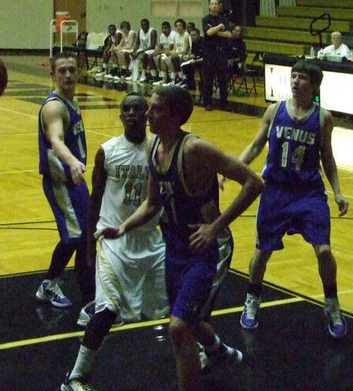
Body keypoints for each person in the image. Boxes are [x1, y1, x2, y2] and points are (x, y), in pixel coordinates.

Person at [101, 86, 263, 391]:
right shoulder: (154, 148)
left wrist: (215, 227)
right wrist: (124, 227)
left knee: (178, 327)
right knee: (186, 321)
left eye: (155, 108)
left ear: (175, 117)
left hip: (205, 248)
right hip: (174, 246)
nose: (147, 114)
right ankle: (219, 352)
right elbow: (152, 204)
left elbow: (254, 182)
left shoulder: (194, 149)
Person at [61, 93, 169, 391]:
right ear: (120, 116)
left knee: (180, 304)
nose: (132, 113)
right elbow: (94, 200)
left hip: (150, 241)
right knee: (107, 310)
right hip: (113, 241)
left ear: (147, 113)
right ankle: (75, 377)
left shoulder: (160, 150)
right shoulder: (106, 151)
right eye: (127, 109)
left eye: (138, 108)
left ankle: (208, 348)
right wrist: (87, 247)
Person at [234, 59, 349, 337]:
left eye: (302, 78)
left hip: (309, 192)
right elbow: (256, 145)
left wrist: (338, 191)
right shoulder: (274, 111)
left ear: (314, 85)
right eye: (293, 76)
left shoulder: (323, 118)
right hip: (276, 191)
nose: (295, 82)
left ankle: (332, 303)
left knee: (323, 250)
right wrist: (234, 167)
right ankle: (252, 300)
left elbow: (327, 158)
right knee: (262, 251)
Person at [37, 53, 94, 310]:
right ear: (53, 75)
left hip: (75, 179)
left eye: (72, 70)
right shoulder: (54, 107)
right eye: (62, 71)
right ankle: (50, 285)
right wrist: (72, 162)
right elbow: (56, 139)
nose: (68, 75)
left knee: (86, 235)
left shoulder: (72, 100)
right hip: (60, 181)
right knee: (75, 237)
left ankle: (88, 292)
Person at [201, 0, 232, 110]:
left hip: (221, 53)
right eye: (212, 4)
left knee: (223, 79)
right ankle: (208, 103)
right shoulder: (205, 19)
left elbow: (229, 34)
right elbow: (208, 33)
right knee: (208, 80)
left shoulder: (224, 18)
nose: (214, 6)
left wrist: (216, 31)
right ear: (209, 6)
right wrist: (219, 27)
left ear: (218, 6)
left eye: (216, 4)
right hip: (209, 53)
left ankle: (224, 102)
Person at [164, 18, 192, 85]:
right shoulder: (176, 35)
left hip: (187, 55)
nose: (178, 27)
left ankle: (182, 78)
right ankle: (174, 78)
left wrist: (174, 53)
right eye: (177, 26)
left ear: (183, 26)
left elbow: (185, 51)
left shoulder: (187, 35)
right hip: (178, 54)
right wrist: (169, 52)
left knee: (175, 57)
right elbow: (175, 48)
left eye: (180, 25)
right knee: (166, 58)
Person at [129, 18, 158, 83]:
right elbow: (137, 43)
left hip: (152, 50)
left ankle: (143, 74)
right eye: (142, 25)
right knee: (132, 55)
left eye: (145, 25)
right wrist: (134, 51)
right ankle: (133, 74)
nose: (143, 26)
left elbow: (152, 46)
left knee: (145, 54)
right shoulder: (140, 31)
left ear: (148, 25)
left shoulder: (152, 31)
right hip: (143, 50)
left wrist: (140, 52)